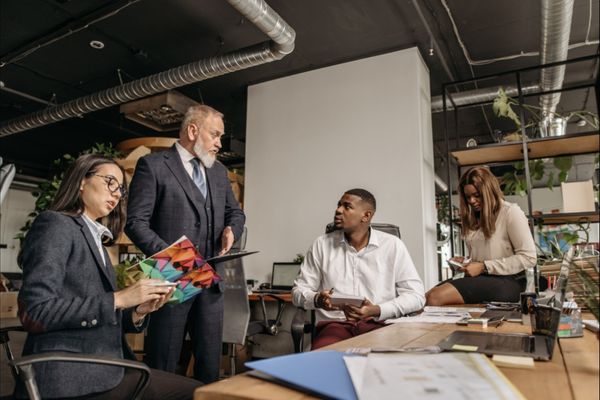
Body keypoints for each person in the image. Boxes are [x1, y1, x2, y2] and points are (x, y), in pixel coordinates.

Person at [16, 154, 199, 400]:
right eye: (110, 182)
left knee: (199, 389)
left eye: (121, 189)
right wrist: (119, 299)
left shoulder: (96, 240)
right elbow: (36, 311)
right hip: (70, 375)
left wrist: (137, 311)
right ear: (81, 181)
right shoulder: (55, 224)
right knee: (198, 393)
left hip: (105, 366)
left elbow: (100, 316)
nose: (116, 194)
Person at [125, 104, 246, 383]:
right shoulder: (153, 166)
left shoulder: (218, 172)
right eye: (215, 135)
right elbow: (135, 223)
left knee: (209, 365)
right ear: (193, 130)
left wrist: (232, 229)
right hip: (170, 279)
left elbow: (235, 212)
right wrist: (177, 260)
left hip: (211, 282)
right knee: (163, 361)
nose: (219, 143)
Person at [292, 188, 425, 349]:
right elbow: (298, 291)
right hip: (336, 326)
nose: (338, 210)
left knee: (386, 363)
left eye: (346, 206)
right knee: (322, 360)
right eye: (338, 205)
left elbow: (416, 296)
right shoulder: (321, 244)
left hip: (379, 324)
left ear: (366, 215)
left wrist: (376, 310)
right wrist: (318, 300)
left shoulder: (392, 246)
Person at [426, 166, 537, 306]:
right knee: (425, 297)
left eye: (477, 195)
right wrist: (467, 262)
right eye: (468, 197)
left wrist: (484, 266)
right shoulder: (475, 218)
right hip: (483, 278)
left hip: (509, 282)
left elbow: (529, 257)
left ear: (488, 191)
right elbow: (487, 255)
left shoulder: (510, 212)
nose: (471, 201)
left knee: (434, 298)